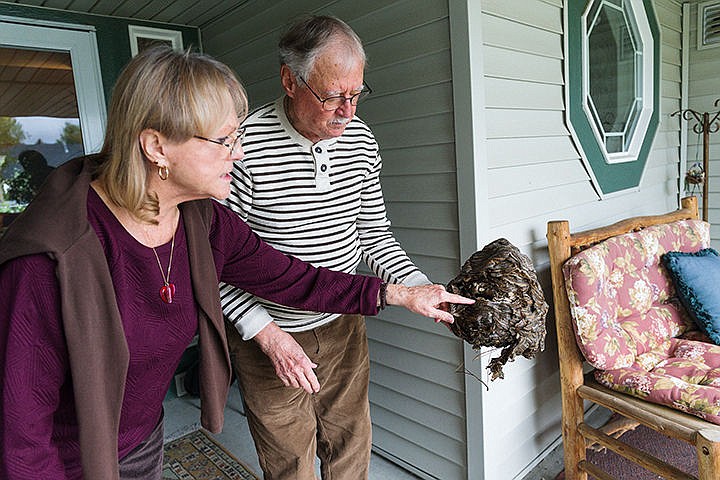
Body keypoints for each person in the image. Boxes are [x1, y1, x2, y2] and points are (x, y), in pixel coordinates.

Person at [0, 46, 472, 480]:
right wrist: (268, 334)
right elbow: (22, 432)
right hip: (66, 458)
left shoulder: (202, 221)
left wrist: (400, 292)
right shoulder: (49, 260)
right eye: (224, 141)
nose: (239, 154)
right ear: (156, 147)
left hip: (142, 438)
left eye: (238, 137)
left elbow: (292, 279)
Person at [219, 15, 449, 480]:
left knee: (350, 446)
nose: (347, 112)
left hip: (344, 325)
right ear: (289, 80)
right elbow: (218, 263)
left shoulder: (360, 140)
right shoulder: (242, 147)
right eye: (331, 96)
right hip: (271, 336)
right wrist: (268, 336)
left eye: (356, 94)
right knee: (290, 464)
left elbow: (373, 234)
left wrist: (419, 287)